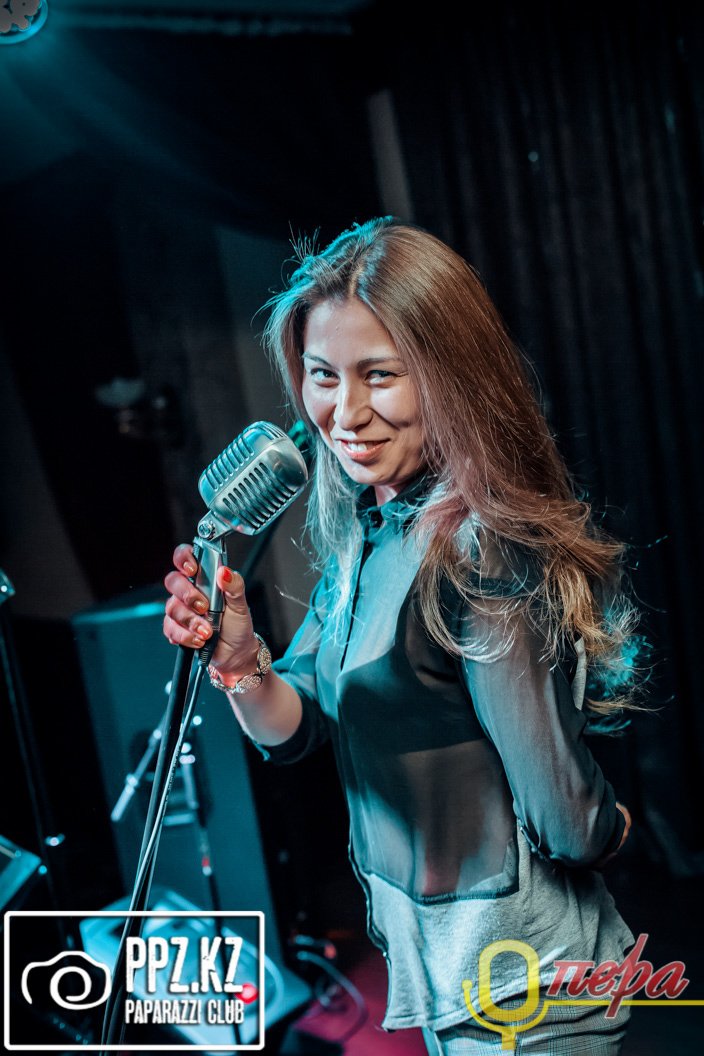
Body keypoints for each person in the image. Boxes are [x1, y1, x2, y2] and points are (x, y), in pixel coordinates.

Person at [163, 218, 643, 1054]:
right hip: (448, 981)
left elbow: (568, 821)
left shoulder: (480, 553)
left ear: (449, 376)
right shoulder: (370, 535)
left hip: (531, 990)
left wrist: (618, 830)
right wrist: (240, 663)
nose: (345, 413)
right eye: (322, 375)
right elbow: (299, 723)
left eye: (379, 375)